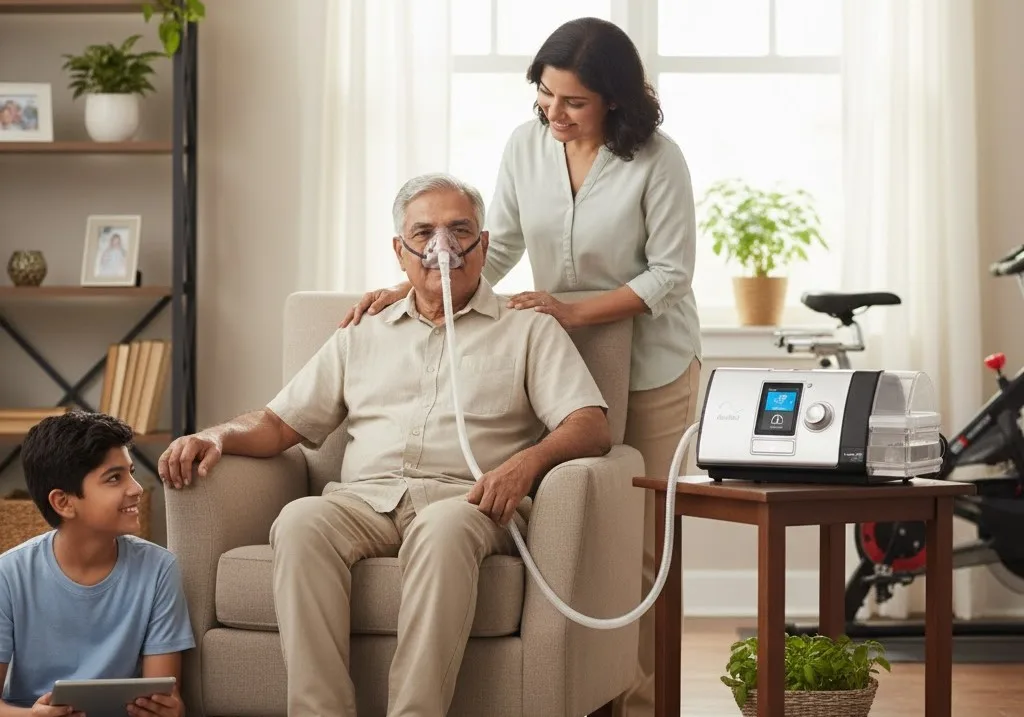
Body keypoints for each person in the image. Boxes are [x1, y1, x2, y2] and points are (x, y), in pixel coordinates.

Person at [339, 17, 702, 717]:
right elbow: (496, 246)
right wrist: (416, 284)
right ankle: (585, 690)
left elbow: (671, 276)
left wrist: (575, 310)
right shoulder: (525, 145)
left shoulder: (658, 159)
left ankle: (645, 705)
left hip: (652, 366)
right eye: (545, 95)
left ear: (615, 101)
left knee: (644, 552)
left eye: (573, 102)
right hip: (563, 360)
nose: (554, 114)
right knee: (580, 538)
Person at [158, 173, 612, 717]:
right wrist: (216, 435)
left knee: (443, 531)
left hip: (466, 502)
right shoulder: (361, 331)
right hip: (363, 501)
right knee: (300, 520)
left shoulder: (528, 329)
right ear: (401, 252)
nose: (441, 247)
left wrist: (525, 465)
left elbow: (590, 423)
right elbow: (281, 424)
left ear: (484, 245)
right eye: (423, 233)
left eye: (458, 230)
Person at [0, 411, 195, 717]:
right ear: (63, 502)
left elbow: (166, 695)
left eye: (130, 472)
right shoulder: (8, 575)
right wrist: (31, 716)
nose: (137, 488)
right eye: (114, 478)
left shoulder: (159, 569)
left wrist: (170, 710)